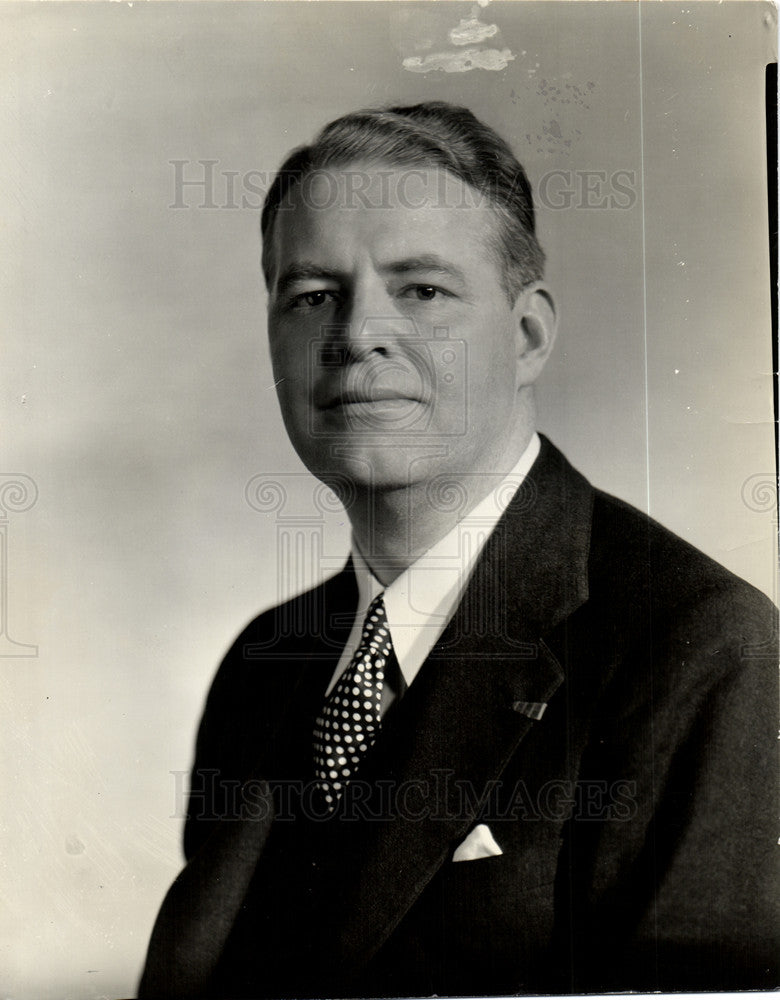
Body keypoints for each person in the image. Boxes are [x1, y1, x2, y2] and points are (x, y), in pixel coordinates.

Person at [139, 102, 778, 998]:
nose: (357, 334)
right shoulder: (262, 663)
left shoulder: (700, 650)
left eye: (422, 290)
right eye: (312, 295)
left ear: (527, 337)